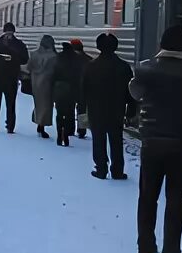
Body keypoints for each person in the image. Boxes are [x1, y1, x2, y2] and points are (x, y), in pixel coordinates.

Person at [129, 26, 182, 253]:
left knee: (147, 196)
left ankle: (145, 245)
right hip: (181, 144)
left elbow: (134, 93)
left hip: (152, 142)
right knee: (176, 200)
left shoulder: (145, 68)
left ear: (161, 45)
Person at [82, 33, 133, 180]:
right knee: (116, 139)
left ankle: (101, 169)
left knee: (98, 139)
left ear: (98, 47)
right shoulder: (124, 67)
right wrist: (130, 109)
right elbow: (130, 91)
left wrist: (83, 105)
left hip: (96, 109)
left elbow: (84, 89)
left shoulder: (91, 67)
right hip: (116, 109)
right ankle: (117, 171)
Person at [0, 22, 28, 133]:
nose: (9, 34)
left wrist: (10, 57)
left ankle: (3, 125)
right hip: (4, 77)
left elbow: (25, 59)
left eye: (10, 32)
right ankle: (1, 125)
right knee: (3, 102)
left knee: (3, 102)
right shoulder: (16, 44)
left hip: (4, 77)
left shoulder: (13, 44)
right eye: (8, 32)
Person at [51, 42, 83, 147]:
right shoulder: (76, 59)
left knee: (60, 113)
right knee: (69, 112)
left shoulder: (58, 57)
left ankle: (59, 134)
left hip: (59, 88)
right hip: (72, 89)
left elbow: (53, 73)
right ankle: (67, 134)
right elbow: (79, 75)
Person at [26, 35, 56, 138]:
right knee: (46, 107)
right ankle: (42, 126)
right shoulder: (53, 56)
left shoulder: (34, 54)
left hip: (35, 84)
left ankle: (39, 122)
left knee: (38, 105)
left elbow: (28, 67)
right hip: (47, 84)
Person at [70, 38, 91, 139]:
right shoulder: (88, 59)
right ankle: (82, 130)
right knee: (82, 109)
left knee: (70, 108)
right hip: (84, 89)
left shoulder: (69, 59)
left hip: (72, 87)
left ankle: (70, 128)